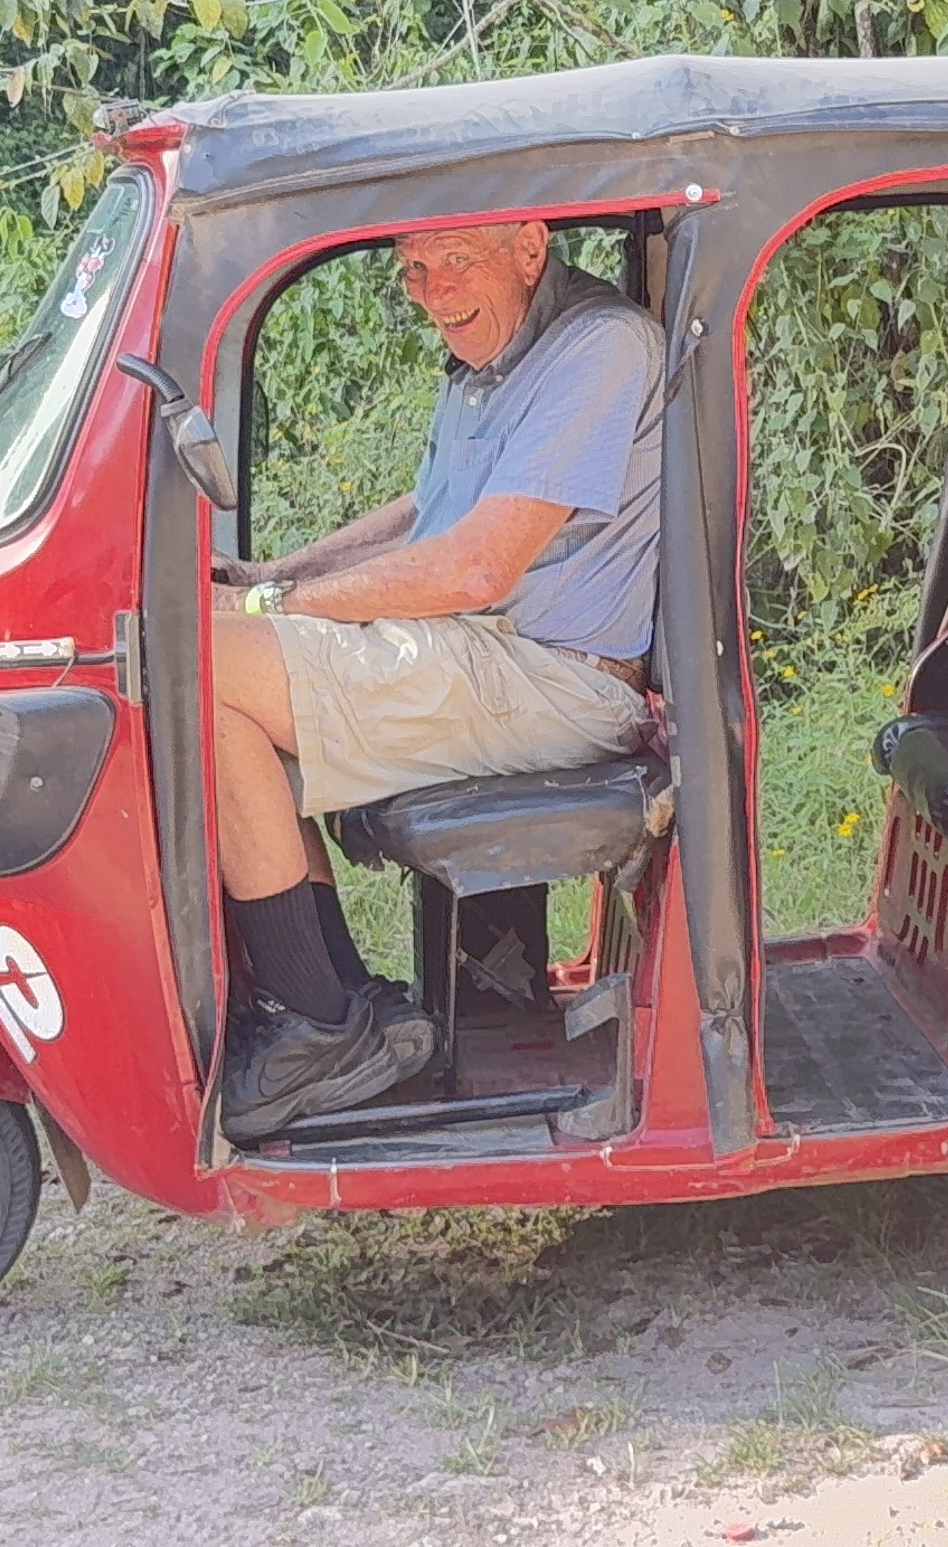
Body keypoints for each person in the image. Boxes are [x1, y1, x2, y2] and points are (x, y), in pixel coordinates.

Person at [205, 220, 662, 1137]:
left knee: (199, 666)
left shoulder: (600, 346)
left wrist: (279, 611)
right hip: (490, 652)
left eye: (455, 260)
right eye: (412, 266)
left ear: (530, 247)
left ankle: (319, 1025)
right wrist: (268, 579)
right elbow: (429, 513)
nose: (428, 287)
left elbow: (474, 570)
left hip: (556, 675)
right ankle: (339, 1006)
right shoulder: (488, 370)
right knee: (209, 669)